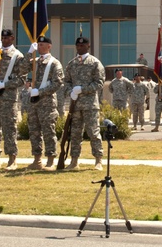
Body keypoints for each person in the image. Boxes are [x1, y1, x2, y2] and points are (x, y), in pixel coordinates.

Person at [0, 28, 29, 169]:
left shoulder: (17, 56)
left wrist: (4, 84)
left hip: (8, 98)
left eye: (7, 38)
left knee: (9, 128)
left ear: (12, 38)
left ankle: (12, 159)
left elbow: (22, 80)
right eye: (3, 38)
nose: (4, 40)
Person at [63, 36, 104, 170]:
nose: (80, 48)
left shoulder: (95, 63)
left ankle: (98, 160)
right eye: (78, 46)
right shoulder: (71, 63)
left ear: (88, 46)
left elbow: (99, 83)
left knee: (93, 132)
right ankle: (74, 160)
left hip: (90, 104)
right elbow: (66, 81)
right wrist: (70, 91)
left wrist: (83, 89)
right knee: (75, 133)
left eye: (83, 45)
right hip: (75, 105)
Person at [26, 35, 63, 169]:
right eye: (38, 45)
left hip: (47, 103)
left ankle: (50, 160)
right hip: (34, 102)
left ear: (49, 46)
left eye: (42, 45)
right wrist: (29, 53)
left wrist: (40, 92)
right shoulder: (35, 61)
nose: (40, 46)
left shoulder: (54, 63)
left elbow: (57, 83)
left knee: (48, 131)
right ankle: (37, 160)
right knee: (34, 131)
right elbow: (21, 69)